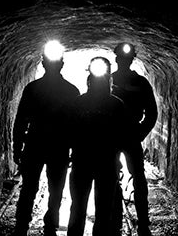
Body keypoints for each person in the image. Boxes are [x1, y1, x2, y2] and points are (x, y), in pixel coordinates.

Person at [12, 40, 80, 236]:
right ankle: (50, 226)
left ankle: (21, 226)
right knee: (56, 191)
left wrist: (18, 147)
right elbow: (75, 126)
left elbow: (21, 120)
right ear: (61, 64)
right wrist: (73, 152)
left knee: (29, 188)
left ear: (43, 63)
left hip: (35, 144)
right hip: (58, 147)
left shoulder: (32, 89)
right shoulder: (71, 91)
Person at [67, 57, 132, 236]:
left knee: (88, 209)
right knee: (93, 209)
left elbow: (123, 134)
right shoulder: (114, 104)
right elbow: (70, 131)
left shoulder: (82, 103)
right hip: (100, 163)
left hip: (90, 163)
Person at [111, 42, 158, 236]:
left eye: (125, 58)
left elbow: (151, 112)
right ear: (117, 59)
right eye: (122, 58)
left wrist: (140, 132)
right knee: (113, 176)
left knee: (138, 177)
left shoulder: (140, 83)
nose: (123, 61)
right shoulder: (107, 79)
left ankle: (142, 218)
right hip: (113, 135)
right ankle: (115, 215)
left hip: (129, 134)